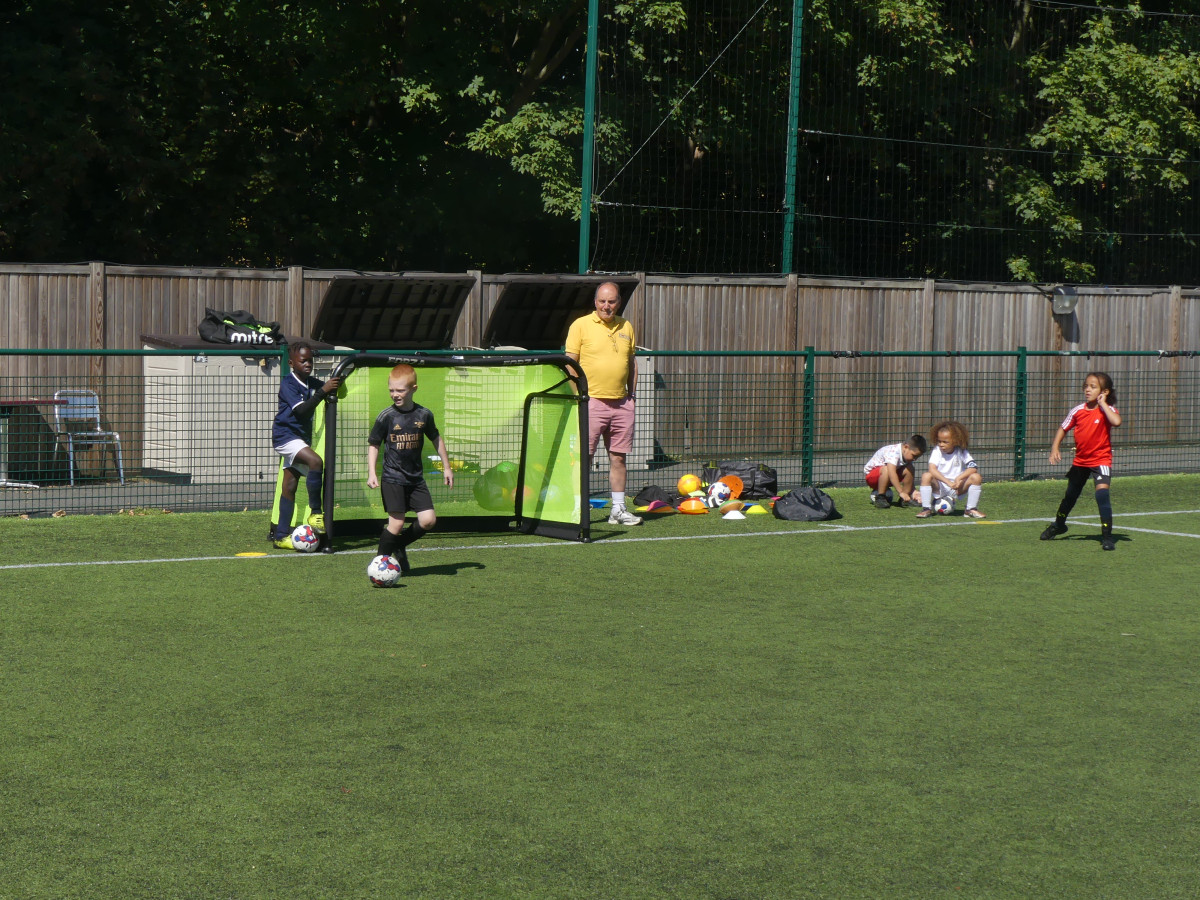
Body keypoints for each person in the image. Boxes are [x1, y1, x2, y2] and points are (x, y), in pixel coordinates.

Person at [565, 281, 643, 526]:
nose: (606, 306)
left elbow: (631, 363)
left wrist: (631, 395)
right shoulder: (580, 325)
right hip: (591, 402)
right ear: (595, 302)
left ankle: (618, 510)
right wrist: (579, 396)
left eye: (611, 302)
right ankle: (576, 509)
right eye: (602, 301)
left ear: (618, 303)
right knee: (583, 458)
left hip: (622, 404)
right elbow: (569, 364)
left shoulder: (626, 326)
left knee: (619, 459)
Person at [367, 363, 453, 574]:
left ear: (414, 388)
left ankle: (399, 544)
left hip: (415, 479)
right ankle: (380, 566)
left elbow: (436, 438)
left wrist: (447, 467)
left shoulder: (424, 415)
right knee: (396, 524)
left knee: (428, 521)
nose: (395, 394)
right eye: (391, 390)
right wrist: (372, 472)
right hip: (392, 478)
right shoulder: (386, 416)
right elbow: (374, 444)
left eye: (400, 390)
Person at [1040, 371, 1123, 550]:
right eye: (1086, 386)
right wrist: (1055, 447)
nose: (1087, 389)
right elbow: (1063, 428)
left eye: (1093, 387)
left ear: (1105, 391)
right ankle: (1058, 525)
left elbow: (1116, 422)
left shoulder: (1108, 410)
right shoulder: (1078, 411)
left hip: (1101, 461)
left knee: (1102, 495)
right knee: (1070, 496)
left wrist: (1103, 404)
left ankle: (1107, 536)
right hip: (1080, 462)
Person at [271, 340, 340, 548]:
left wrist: (338, 382)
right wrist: (323, 391)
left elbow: (329, 389)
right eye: (303, 361)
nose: (308, 364)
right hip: (285, 436)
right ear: (292, 363)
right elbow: (301, 410)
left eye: (310, 361)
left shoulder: (311, 382)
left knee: (289, 485)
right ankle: (316, 513)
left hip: (299, 439)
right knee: (316, 462)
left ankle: (281, 536)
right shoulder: (288, 384)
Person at [916, 420, 985, 519]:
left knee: (976, 477)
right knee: (926, 476)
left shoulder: (961, 451)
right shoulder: (937, 451)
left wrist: (958, 479)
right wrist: (948, 482)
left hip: (957, 487)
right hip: (940, 486)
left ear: (955, 441)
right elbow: (932, 469)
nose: (941, 444)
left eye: (945, 442)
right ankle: (926, 509)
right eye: (939, 441)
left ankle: (970, 509)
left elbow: (973, 468)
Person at [863, 434, 927, 508]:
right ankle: (880, 497)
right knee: (886, 469)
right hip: (872, 478)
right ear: (906, 447)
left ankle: (904, 499)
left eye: (917, 457)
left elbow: (908, 476)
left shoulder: (907, 456)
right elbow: (892, 473)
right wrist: (901, 492)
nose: (915, 459)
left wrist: (914, 491)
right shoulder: (893, 452)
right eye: (914, 455)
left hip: (887, 478)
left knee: (909, 468)